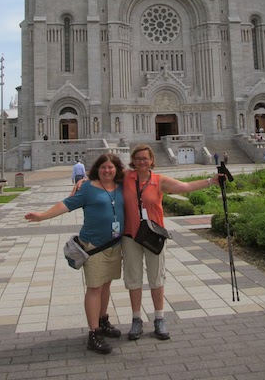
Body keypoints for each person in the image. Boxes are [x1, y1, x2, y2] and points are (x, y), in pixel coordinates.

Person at [25, 154, 125, 355]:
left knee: (106, 285)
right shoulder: (87, 188)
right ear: (96, 169)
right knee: (95, 287)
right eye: (103, 167)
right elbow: (66, 204)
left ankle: (103, 320)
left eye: (111, 167)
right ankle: (94, 333)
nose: (107, 171)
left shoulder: (121, 186)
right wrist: (42, 216)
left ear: (117, 169)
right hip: (94, 246)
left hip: (114, 245)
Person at [122, 144, 223, 341]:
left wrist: (211, 181)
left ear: (152, 160)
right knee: (133, 278)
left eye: (145, 158)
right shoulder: (126, 178)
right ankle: (136, 319)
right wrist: (82, 181)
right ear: (133, 160)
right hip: (130, 236)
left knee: (156, 277)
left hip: (153, 235)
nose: (142, 162)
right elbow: (104, 176)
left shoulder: (158, 180)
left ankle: (159, 318)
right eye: (138, 158)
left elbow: (184, 187)